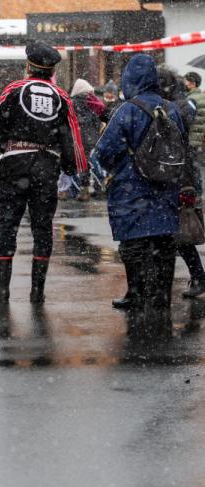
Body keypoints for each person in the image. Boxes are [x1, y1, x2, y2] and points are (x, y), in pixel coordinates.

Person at [0, 40, 86, 305]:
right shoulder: (62, 96)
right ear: (51, 70)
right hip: (47, 165)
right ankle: (37, 291)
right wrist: (71, 169)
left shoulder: (14, 90)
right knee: (43, 226)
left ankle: (1, 289)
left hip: (14, 162)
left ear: (29, 66)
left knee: (8, 222)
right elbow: (71, 135)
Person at [91, 54, 186, 312]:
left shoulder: (127, 110)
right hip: (166, 186)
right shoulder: (172, 109)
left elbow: (103, 152)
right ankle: (162, 296)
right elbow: (182, 148)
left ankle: (136, 293)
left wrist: (107, 176)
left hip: (131, 187)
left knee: (134, 243)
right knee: (164, 243)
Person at [156, 66, 205, 299]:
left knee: (178, 232)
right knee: (175, 232)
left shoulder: (177, 107)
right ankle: (197, 277)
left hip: (177, 175)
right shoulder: (179, 103)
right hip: (178, 172)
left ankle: (198, 277)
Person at [66, 78, 106, 199]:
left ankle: (80, 189)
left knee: (78, 165)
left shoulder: (70, 103)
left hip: (76, 138)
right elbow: (98, 120)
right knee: (93, 164)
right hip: (92, 138)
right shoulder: (92, 102)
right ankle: (100, 188)